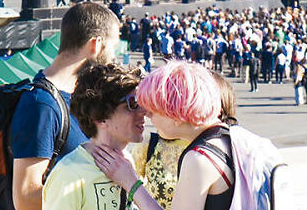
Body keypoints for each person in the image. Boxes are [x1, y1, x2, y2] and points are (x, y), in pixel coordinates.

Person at [11, 2, 121, 210]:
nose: (113, 58)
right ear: (96, 45)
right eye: (113, 47)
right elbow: (25, 196)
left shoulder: (77, 97)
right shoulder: (41, 105)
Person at [90, 61, 235, 210]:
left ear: (176, 115)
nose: (146, 115)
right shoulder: (231, 139)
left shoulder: (198, 159)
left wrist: (131, 183)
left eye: (152, 110)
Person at [42, 62, 145, 210]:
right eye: (133, 104)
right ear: (100, 117)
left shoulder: (126, 162)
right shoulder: (69, 173)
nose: (143, 112)